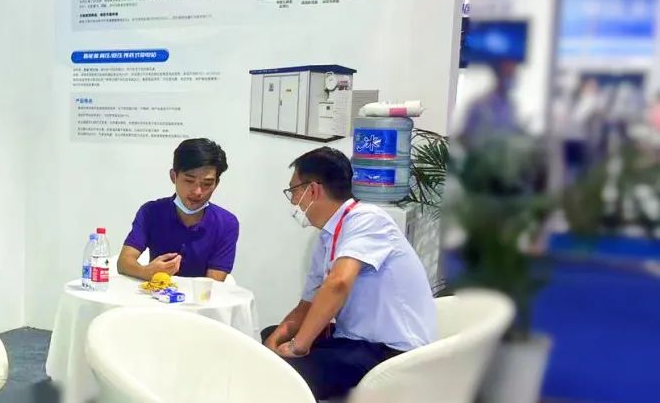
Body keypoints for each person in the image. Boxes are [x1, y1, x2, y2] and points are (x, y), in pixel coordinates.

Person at [263, 147, 435, 400]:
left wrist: (298, 346)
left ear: (313, 190)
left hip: (392, 353)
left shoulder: (368, 219)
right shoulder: (327, 237)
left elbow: (338, 283)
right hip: (355, 342)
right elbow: (306, 306)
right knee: (268, 337)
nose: (293, 201)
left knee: (287, 373)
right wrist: (273, 343)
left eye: (294, 191)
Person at [117, 138, 238, 282]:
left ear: (216, 184)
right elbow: (123, 262)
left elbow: (213, 284)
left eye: (207, 184)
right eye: (189, 181)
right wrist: (145, 272)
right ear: (173, 176)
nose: (197, 191)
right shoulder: (151, 212)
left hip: (200, 296)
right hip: (157, 293)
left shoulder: (226, 223)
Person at [461, 60, 521, 142]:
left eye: (513, 75)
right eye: (509, 75)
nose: (511, 79)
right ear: (499, 75)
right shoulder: (480, 105)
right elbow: (465, 137)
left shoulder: (511, 107)